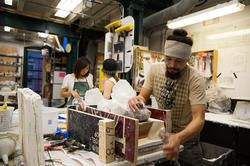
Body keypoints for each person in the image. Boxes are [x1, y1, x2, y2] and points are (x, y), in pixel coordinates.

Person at [128, 29, 206, 166]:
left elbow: (199, 119)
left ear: (187, 60)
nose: (172, 65)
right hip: (162, 133)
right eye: (168, 59)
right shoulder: (154, 70)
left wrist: (178, 138)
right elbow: (143, 96)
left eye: (178, 61)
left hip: (187, 137)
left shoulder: (195, 79)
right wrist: (137, 101)